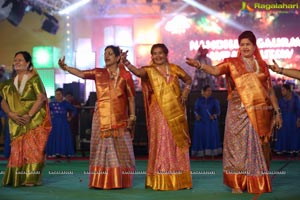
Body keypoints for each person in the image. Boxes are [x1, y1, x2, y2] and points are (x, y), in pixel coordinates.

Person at [186, 31, 282, 194]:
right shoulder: (232, 63)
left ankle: (255, 180)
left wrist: (277, 112)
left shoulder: (262, 65)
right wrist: (200, 65)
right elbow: (216, 71)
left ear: (254, 46)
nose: (245, 47)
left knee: (256, 145)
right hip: (237, 110)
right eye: (242, 44)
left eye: (248, 44)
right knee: (237, 146)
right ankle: (237, 183)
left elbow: (270, 91)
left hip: (259, 111)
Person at [58, 45, 136, 189]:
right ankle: (104, 180)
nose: (106, 56)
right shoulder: (99, 72)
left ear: (118, 57)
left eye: (111, 54)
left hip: (120, 119)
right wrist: (66, 68)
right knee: (104, 147)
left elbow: (131, 98)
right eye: (105, 53)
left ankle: (119, 180)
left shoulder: (126, 75)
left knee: (121, 149)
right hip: (101, 117)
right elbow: (81, 74)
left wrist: (132, 117)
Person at [122, 43, 193, 190]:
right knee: (161, 140)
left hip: (176, 110)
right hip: (158, 110)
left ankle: (180, 178)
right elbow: (138, 72)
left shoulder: (175, 68)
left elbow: (188, 80)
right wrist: (126, 63)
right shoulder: (149, 70)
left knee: (176, 141)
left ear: (166, 54)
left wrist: (185, 93)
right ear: (151, 56)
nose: (157, 56)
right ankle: (161, 176)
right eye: (154, 53)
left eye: (160, 53)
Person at [0, 51, 52, 187]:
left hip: (34, 120)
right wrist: (10, 114)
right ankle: (17, 178)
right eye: (15, 60)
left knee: (33, 149)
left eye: (20, 60)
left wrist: (29, 115)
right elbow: (3, 101)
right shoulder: (7, 84)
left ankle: (31, 178)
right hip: (15, 121)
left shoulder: (34, 79)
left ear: (28, 63)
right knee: (17, 150)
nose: (16, 62)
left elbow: (41, 98)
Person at [191, 85, 222, 158]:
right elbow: (195, 110)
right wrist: (197, 115)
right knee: (200, 134)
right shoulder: (199, 100)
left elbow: (218, 111)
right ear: (204, 91)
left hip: (211, 122)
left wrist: (214, 116)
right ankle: (200, 153)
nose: (210, 92)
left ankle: (212, 153)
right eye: (208, 90)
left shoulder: (214, 100)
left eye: (210, 90)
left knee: (211, 135)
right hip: (201, 121)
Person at [46, 88, 77, 158]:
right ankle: (53, 152)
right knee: (54, 137)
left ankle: (64, 152)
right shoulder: (52, 104)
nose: (57, 96)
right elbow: (45, 111)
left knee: (64, 137)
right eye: (56, 94)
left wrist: (71, 117)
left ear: (62, 95)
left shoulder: (66, 104)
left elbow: (74, 110)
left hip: (64, 123)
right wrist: (49, 118)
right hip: (54, 123)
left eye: (59, 94)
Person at [274, 83, 300, 155]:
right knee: (283, 134)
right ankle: (283, 149)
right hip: (283, 119)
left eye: (283, 90)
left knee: (294, 134)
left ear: (288, 90)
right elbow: (278, 110)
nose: (282, 92)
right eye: (281, 90)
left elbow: (298, 109)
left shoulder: (296, 98)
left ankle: (294, 150)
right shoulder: (281, 100)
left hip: (293, 119)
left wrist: (298, 120)